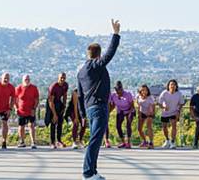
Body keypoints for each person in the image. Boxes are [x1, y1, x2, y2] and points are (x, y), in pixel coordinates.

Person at [78, 19, 121, 180]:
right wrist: (116, 34)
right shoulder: (96, 65)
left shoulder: (81, 71)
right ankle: (88, 172)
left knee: (95, 139)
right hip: (99, 107)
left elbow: (80, 95)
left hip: (89, 108)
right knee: (95, 140)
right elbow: (110, 54)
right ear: (97, 55)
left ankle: (93, 171)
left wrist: (82, 114)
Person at [158, 79, 185, 149]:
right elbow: (159, 103)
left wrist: (178, 111)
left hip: (174, 112)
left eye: (174, 85)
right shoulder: (164, 93)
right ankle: (167, 140)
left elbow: (181, 103)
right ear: (168, 86)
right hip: (165, 113)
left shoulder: (179, 94)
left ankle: (173, 141)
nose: (172, 86)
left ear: (176, 86)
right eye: (171, 84)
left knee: (174, 126)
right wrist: (163, 107)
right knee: (164, 127)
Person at [15, 74, 39, 149]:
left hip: (31, 110)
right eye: (25, 79)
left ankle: (33, 142)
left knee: (31, 126)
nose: (27, 80)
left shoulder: (34, 88)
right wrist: (16, 108)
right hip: (21, 111)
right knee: (21, 126)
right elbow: (14, 99)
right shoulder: (19, 88)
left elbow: (37, 99)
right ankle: (22, 141)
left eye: (28, 79)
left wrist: (34, 109)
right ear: (23, 80)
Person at [109, 81, 135, 148]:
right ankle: (123, 142)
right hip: (120, 110)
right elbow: (113, 105)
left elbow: (132, 105)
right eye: (117, 91)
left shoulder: (127, 94)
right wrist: (108, 112)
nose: (119, 93)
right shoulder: (113, 95)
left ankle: (128, 142)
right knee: (118, 126)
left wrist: (129, 113)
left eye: (120, 91)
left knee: (128, 124)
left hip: (129, 109)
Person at [46, 72, 69, 149]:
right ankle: (52, 142)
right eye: (61, 78)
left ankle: (59, 140)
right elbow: (50, 101)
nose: (62, 79)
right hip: (51, 103)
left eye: (64, 78)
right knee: (53, 121)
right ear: (58, 78)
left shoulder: (66, 85)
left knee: (60, 122)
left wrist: (64, 106)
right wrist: (54, 114)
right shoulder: (53, 86)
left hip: (59, 102)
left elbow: (65, 95)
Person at [135, 84, 155, 149]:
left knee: (149, 127)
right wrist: (139, 114)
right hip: (142, 112)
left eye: (145, 90)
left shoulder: (150, 97)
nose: (144, 92)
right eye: (142, 90)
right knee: (139, 128)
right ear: (140, 91)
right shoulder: (138, 97)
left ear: (148, 91)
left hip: (149, 112)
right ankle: (144, 141)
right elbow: (138, 105)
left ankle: (151, 142)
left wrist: (152, 113)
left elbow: (153, 106)